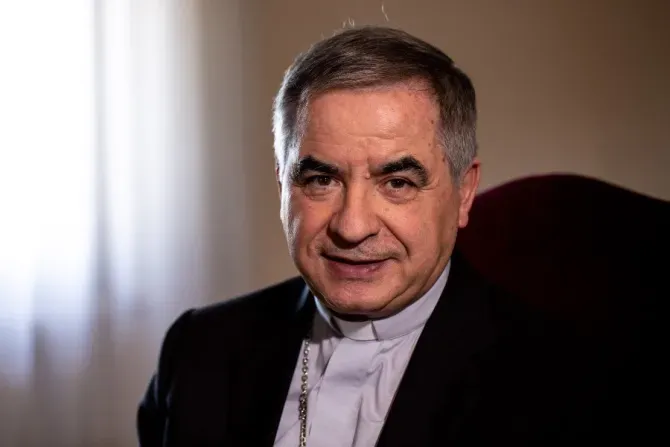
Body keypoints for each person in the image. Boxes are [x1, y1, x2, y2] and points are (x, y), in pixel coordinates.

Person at [137, 26, 605, 446]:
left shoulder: (564, 384)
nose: (352, 227)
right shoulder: (198, 350)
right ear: (283, 186)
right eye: (321, 180)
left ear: (464, 193)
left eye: (396, 183)